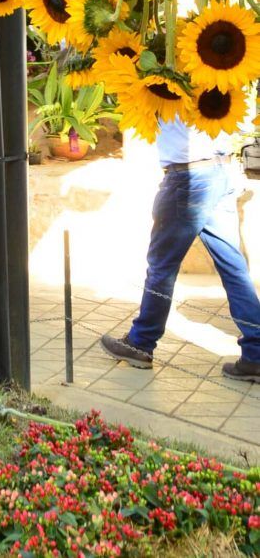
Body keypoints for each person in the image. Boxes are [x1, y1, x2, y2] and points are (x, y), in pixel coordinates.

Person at [101, 117, 260, 382]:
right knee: (233, 268)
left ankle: (140, 343)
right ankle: (256, 352)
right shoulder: (225, 77)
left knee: (162, 267)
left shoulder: (168, 82)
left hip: (187, 178)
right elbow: (242, 123)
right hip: (220, 172)